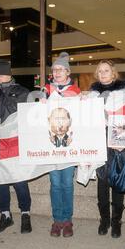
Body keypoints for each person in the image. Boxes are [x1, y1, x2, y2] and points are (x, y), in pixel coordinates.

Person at [0, 60, 32, 234]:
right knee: (0, 181)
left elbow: (28, 117)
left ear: (10, 74)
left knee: (20, 180)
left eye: (1, 73)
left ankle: (25, 213)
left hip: (16, 143)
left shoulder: (23, 92)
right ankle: (5, 215)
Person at [89, 60, 125, 238]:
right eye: (100, 71)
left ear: (113, 72)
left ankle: (116, 221)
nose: (103, 73)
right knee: (102, 181)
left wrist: (123, 139)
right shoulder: (92, 94)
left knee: (118, 180)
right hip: (99, 140)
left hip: (119, 139)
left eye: (106, 70)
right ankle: (104, 219)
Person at [43, 52, 81, 237]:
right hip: (51, 146)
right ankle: (57, 220)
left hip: (69, 147)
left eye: (60, 69)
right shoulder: (45, 90)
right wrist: (39, 104)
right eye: (54, 70)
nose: (57, 72)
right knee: (55, 183)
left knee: (67, 183)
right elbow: (34, 115)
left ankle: (67, 220)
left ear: (68, 72)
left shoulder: (76, 92)